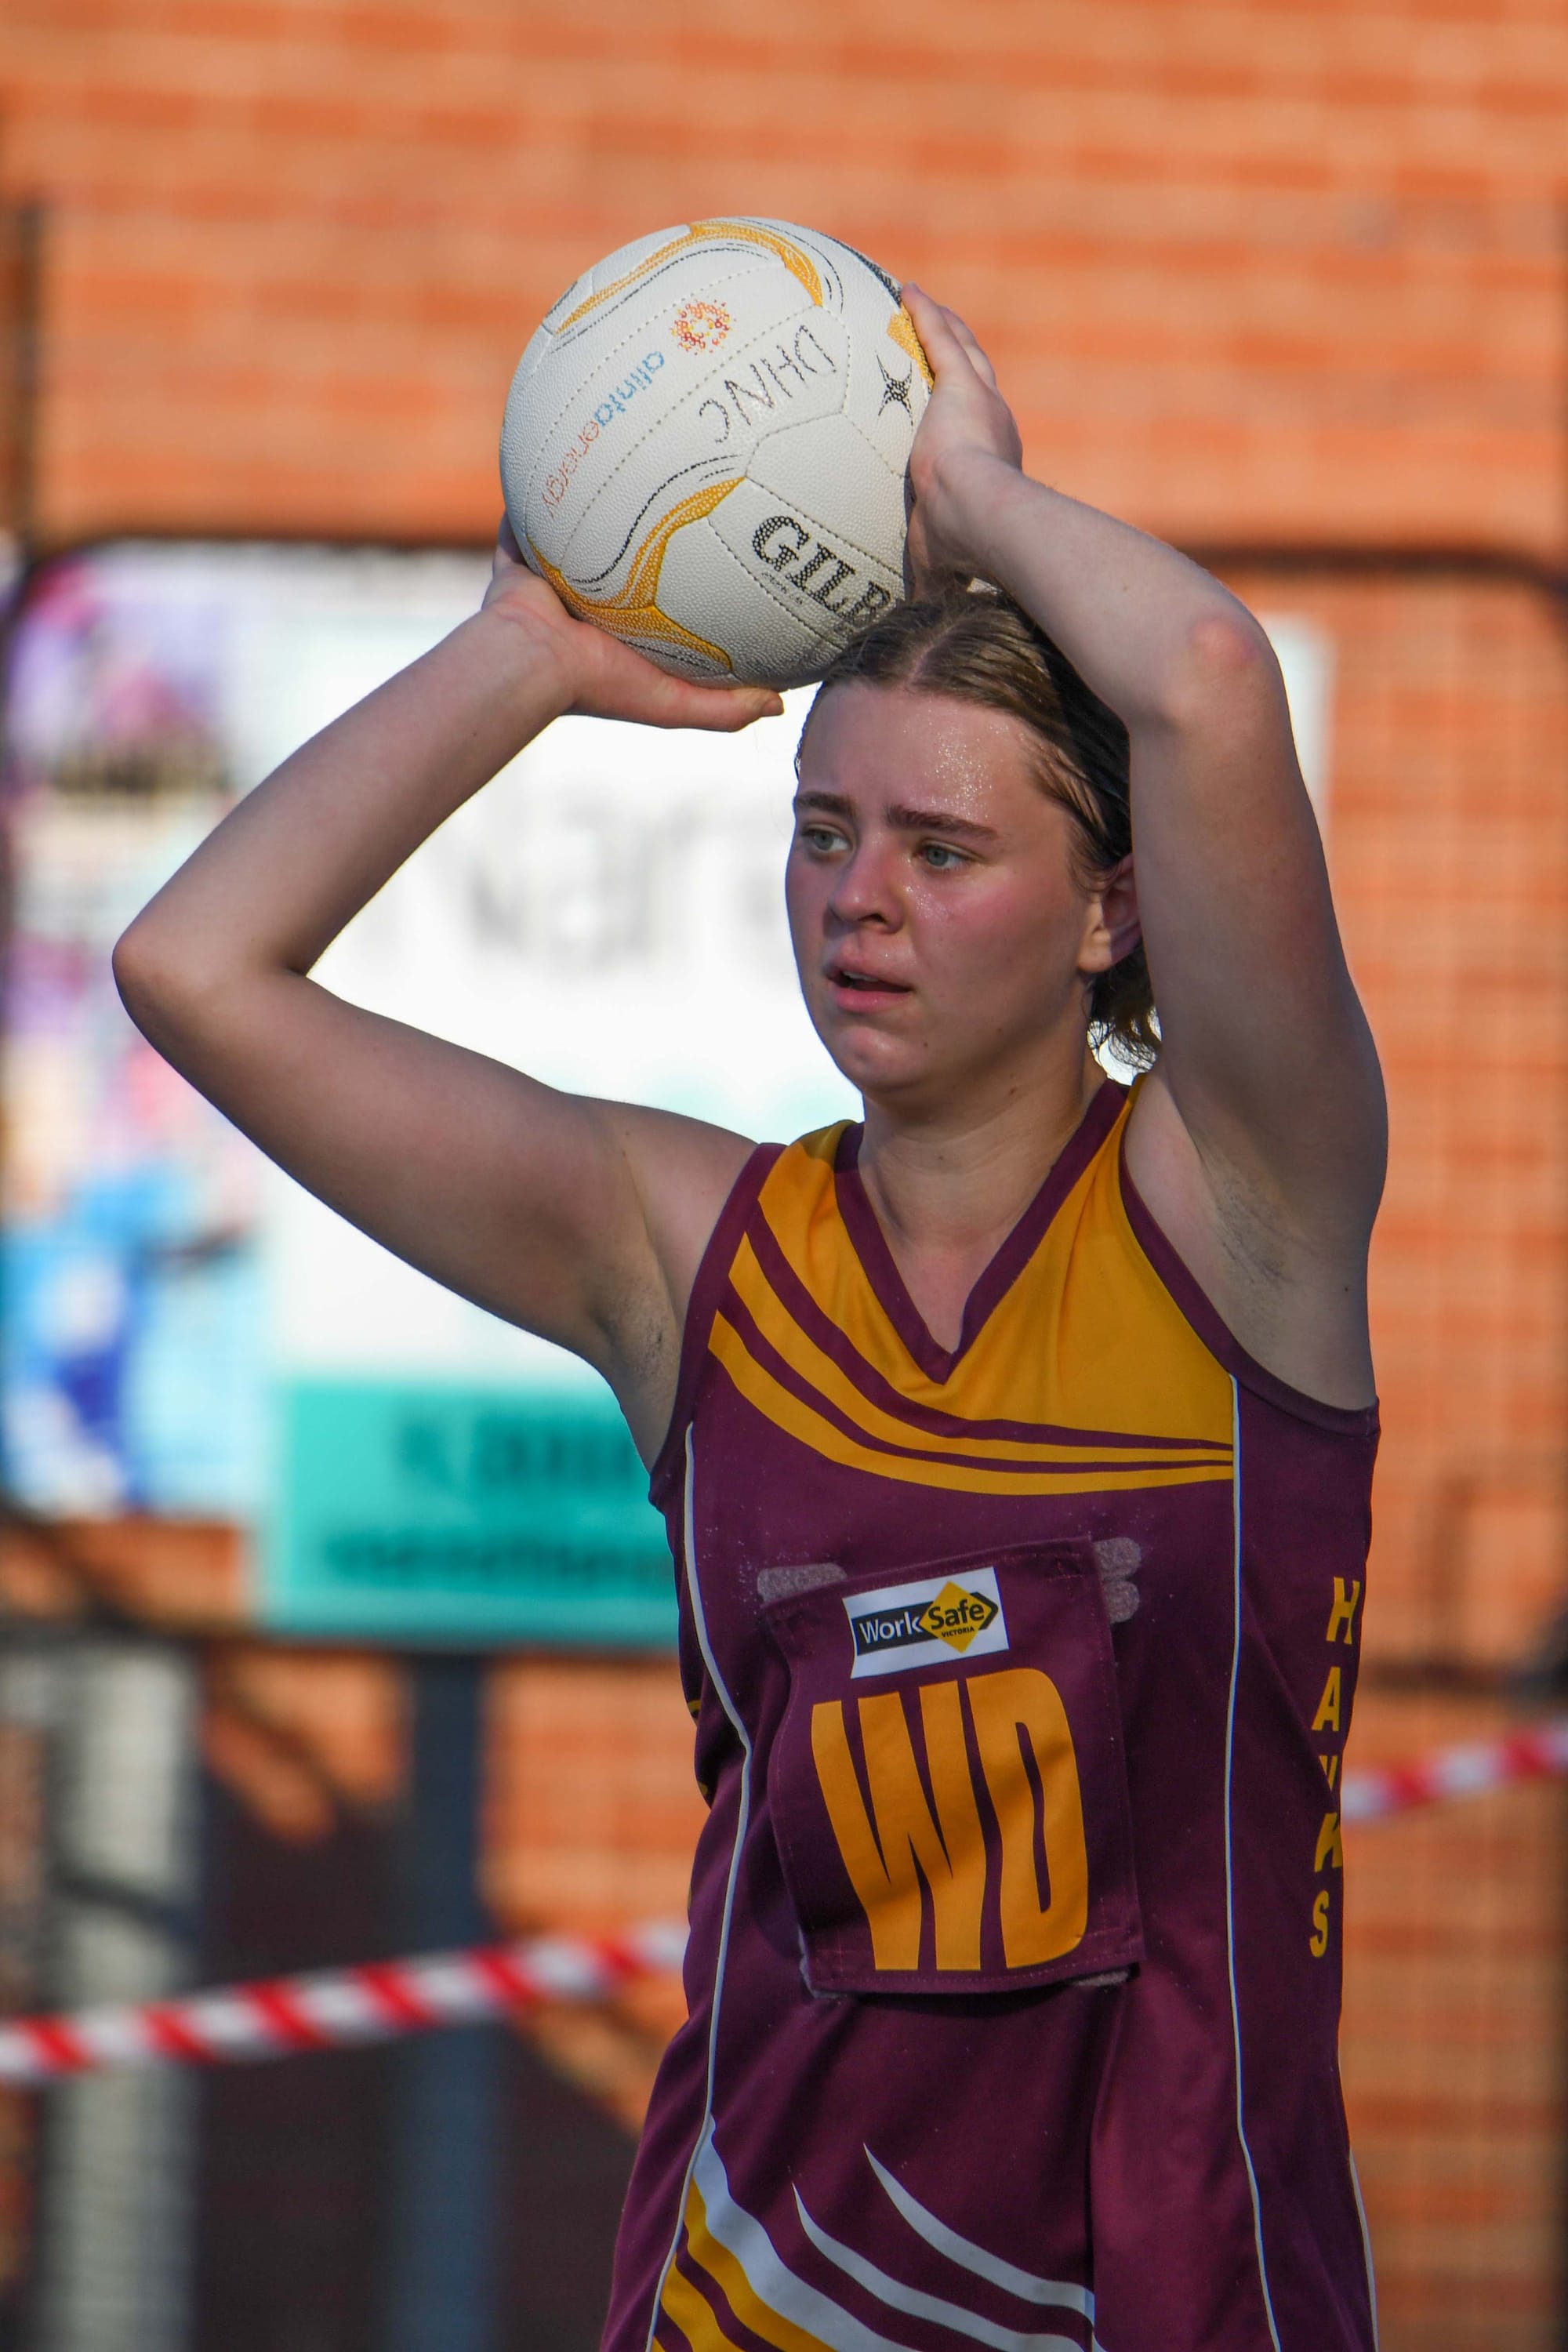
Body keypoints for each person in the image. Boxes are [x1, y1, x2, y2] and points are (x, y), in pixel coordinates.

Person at [114, 285, 1385, 2351]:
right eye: (824, 830)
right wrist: (531, 648)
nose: (857, 896)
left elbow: (1212, 681)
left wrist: (966, 492)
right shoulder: (685, 1248)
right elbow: (195, 968)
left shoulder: (1242, 1215)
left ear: (1110, 908)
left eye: (943, 846)